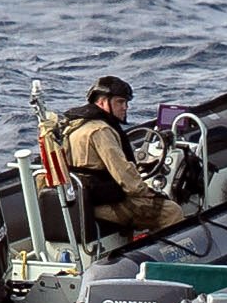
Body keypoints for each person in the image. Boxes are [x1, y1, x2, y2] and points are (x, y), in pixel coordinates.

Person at [57, 75, 188, 239]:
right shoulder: (100, 131)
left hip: (82, 201)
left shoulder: (74, 126)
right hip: (102, 204)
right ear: (103, 102)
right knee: (171, 211)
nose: (125, 107)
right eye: (120, 102)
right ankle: (164, 260)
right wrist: (150, 193)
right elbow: (125, 176)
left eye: (126, 103)